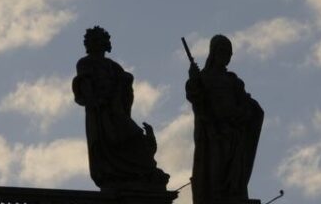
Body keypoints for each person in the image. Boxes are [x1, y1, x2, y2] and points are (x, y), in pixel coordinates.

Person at [73, 26, 168, 192]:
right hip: (100, 111)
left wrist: (124, 83)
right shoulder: (85, 63)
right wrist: (95, 99)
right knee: (108, 143)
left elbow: (125, 87)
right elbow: (84, 86)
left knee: (133, 137)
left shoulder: (112, 66)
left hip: (116, 109)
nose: (95, 44)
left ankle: (141, 171)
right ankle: (119, 174)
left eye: (99, 40)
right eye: (92, 41)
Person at [186, 34, 265, 204]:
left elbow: (248, 106)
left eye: (228, 53)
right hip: (214, 134)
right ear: (213, 53)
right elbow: (196, 99)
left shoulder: (233, 81)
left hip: (234, 133)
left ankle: (233, 194)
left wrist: (240, 114)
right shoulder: (203, 78)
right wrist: (193, 80)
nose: (225, 56)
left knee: (234, 172)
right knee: (214, 171)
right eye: (222, 51)